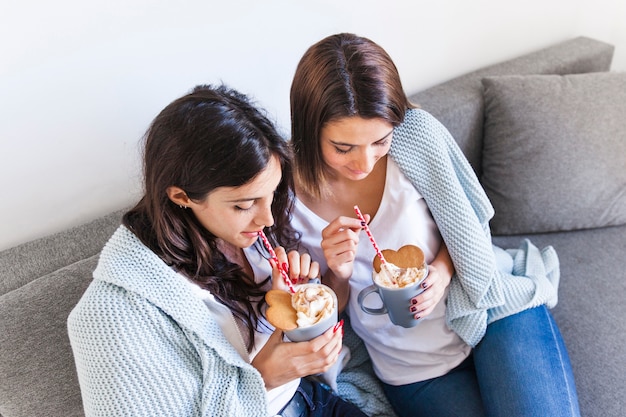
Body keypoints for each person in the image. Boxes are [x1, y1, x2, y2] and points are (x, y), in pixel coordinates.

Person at [289, 33, 581, 417]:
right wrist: (339, 275)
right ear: (310, 131)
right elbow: (319, 312)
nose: (365, 163)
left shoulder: (416, 137)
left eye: (380, 141)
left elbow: (467, 227)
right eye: (343, 148)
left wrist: (441, 273)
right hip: (412, 370)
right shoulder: (285, 198)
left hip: (491, 309)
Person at [67, 84, 368, 417]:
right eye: (243, 205)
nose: (267, 218)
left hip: (312, 398)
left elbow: (294, 337)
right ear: (182, 197)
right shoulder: (113, 316)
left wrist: (301, 305)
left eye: (272, 194)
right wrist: (263, 378)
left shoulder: (250, 237)